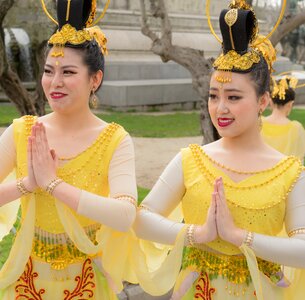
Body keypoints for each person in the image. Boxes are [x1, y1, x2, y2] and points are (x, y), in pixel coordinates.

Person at [132, 1, 305, 299]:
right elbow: (142, 219)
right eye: (214, 96)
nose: (220, 108)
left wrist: (240, 237)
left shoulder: (290, 172)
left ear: (263, 101)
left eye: (234, 97)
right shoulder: (192, 159)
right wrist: (196, 235)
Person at [0, 1, 137, 299]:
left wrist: (54, 185)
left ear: (95, 80)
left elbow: (125, 214)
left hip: (88, 282)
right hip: (26, 282)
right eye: (49, 71)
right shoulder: (22, 131)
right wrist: (27, 184)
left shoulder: (115, 139)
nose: (55, 83)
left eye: (69, 72)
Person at [261, 75, 305, 162]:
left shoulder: (258, 123)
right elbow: (299, 159)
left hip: (260, 173)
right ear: (290, 104)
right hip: (285, 174)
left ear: (270, 102)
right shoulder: (296, 128)